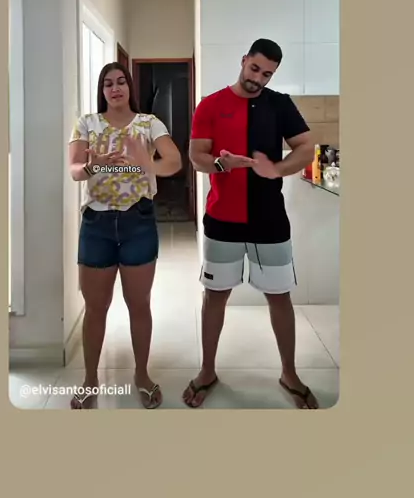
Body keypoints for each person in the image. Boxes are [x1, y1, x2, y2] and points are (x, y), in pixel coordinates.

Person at [183, 39, 319, 410]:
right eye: (254, 68)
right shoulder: (211, 104)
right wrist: (222, 164)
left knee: (279, 297)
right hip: (222, 220)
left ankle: (289, 373)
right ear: (244, 60)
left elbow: (306, 147)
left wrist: (277, 169)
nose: (258, 78)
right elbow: (196, 156)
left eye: (267, 74)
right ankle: (207, 371)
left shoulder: (279, 104)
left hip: (270, 220)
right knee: (215, 296)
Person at [68, 61, 182, 409]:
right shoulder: (87, 123)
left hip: (138, 222)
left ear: (130, 87)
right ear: (102, 90)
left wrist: (145, 162)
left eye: (121, 82)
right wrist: (95, 165)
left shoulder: (149, 123)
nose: (115, 88)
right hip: (97, 225)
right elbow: (75, 170)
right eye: (108, 83)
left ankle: (142, 375)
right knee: (95, 308)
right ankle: (90, 380)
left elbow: (174, 161)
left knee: (139, 304)